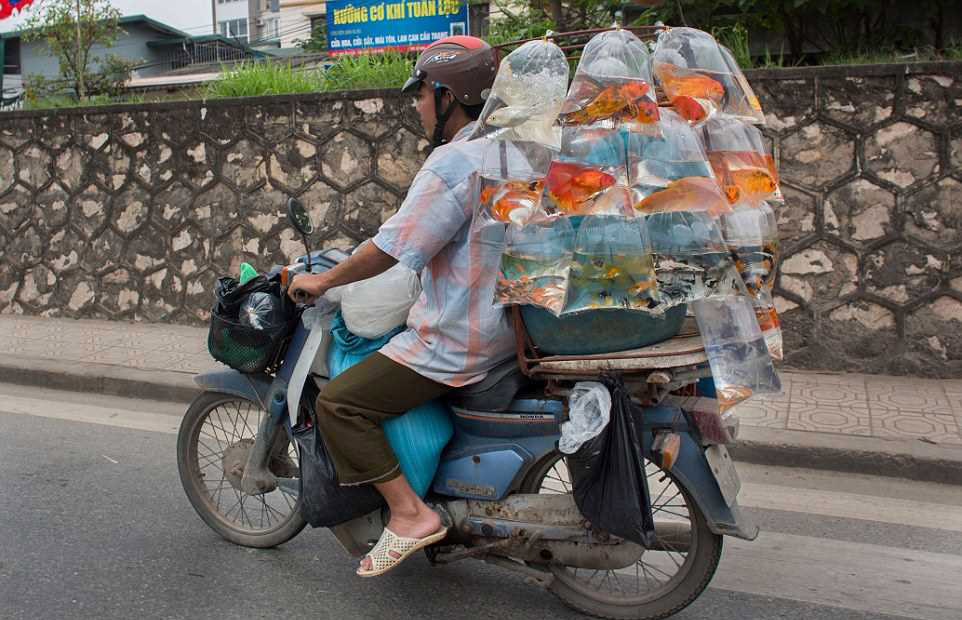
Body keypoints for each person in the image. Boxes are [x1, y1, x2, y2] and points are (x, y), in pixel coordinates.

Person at [287, 36, 514, 578]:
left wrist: (323, 282)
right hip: (509, 330)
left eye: (420, 95)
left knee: (339, 404)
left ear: (447, 95)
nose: (415, 106)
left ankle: (410, 514)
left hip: (458, 339)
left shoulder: (455, 162)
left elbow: (390, 249)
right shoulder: (514, 150)